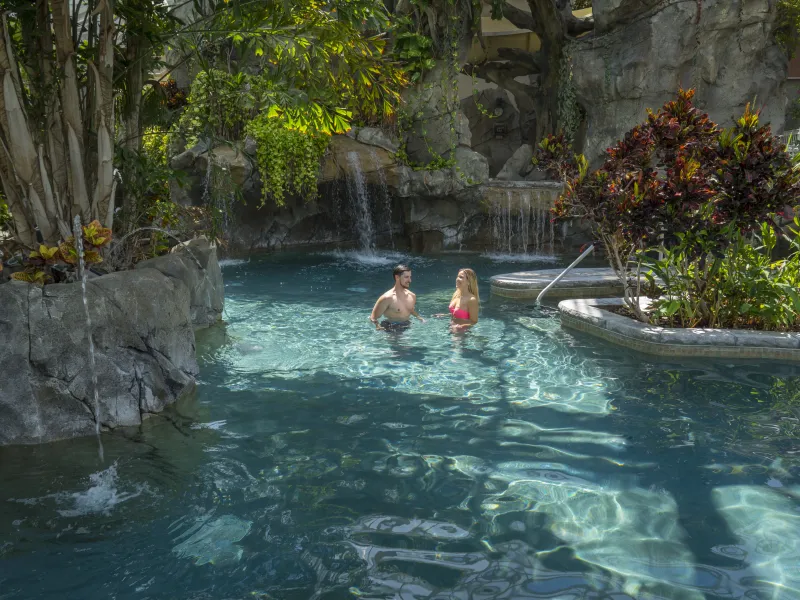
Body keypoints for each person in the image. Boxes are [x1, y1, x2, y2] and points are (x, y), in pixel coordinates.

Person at [369, 264, 425, 331]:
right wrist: (378, 326)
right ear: (397, 277)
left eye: (410, 277)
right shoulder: (387, 298)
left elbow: (410, 310)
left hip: (407, 324)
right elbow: (373, 317)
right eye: (406, 277)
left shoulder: (412, 296)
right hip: (391, 328)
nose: (410, 280)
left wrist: (420, 318)